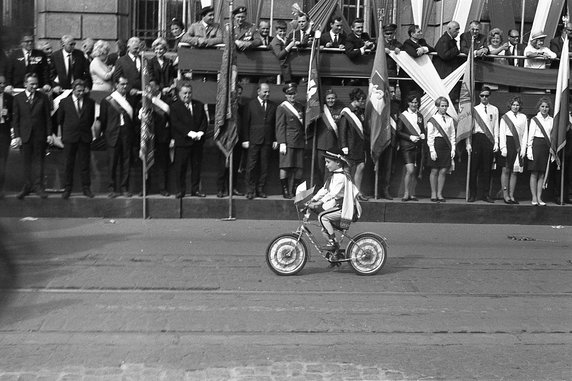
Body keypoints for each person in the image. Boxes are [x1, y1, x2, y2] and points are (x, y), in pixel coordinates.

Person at [307, 150, 361, 259]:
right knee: (324, 231)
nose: (326, 165)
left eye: (328, 162)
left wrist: (319, 203)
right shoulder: (334, 176)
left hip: (345, 208)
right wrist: (312, 199)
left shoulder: (341, 177)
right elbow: (324, 190)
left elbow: (333, 193)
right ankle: (336, 252)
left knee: (322, 217)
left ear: (338, 163)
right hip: (338, 207)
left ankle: (333, 243)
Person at [12, 73, 53, 199]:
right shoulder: (18, 98)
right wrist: (17, 136)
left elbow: (47, 117)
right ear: (25, 84)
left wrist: (49, 134)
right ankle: (26, 187)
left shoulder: (43, 97)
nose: (35, 86)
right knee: (26, 163)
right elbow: (16, 119)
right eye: (32, 84)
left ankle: (38, 187)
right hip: (25, 136)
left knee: (38, 162)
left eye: (36, 84)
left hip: (39, 136)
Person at [99, 76, 138, 198]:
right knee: (113, 163)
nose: (125, 86)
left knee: (126, 162)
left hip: (126, 134)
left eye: (126, 84)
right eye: (122, 84)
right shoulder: (107, 100)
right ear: (116, 85)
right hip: (112, 135)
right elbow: (103, 120)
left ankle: (124, 188)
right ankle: (112, 188)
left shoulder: (131, 100)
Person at [58, 79, 96, 199]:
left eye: (82, 91)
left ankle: (86, 188)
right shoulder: (64, 102)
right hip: (70, 137)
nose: (81, 93)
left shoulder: (90, 102)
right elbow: (60, 119)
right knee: (68, 164)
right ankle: (67, 188)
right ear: (73, 90)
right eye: (78, 91)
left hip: (84, 137)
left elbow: (90, 120)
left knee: (85, 164)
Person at [169, 81, 208, 198]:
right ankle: (181, 190)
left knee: (196, 167)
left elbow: (204, 121)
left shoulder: (199, 105)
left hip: (197, 143)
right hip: (182, 142)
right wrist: (189, 133)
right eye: (185, 93)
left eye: (189, 93)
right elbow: (176, 123)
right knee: (181, 168)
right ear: (180, 94)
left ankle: (195, 190)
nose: (187, 96)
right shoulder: (174, 107)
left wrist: (201, 132)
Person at [241, 83, 277, 199]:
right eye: (264, 92)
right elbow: (245, 123)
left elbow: (275, 124)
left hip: (267, 141)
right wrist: (245, 139)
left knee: (264, 166)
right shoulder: (250, 105)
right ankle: (250, 190)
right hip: (253, 140)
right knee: (251, 166)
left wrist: (275, 139)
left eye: (268, 92)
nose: (267, 94)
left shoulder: (273, 106)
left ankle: (260, 189)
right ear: (258, 92)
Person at [467, 86, 499, 203]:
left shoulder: (494, 109)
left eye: (486, 95)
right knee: (474, 168)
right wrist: (468, 142)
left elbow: (496, 126)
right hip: (477, 138)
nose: (484, 98)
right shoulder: (474, 109)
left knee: (487, 169)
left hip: (488, 139)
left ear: (489, 96)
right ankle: (472, 194)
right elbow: (469, 128)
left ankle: (486, 194)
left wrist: (496, 142)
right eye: (482, 96)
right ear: (479, 96)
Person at [338, 88, 369, 201]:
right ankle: (347, 193)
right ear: (355, 100)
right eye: (361, 100)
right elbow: (342, 130)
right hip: (350, 145)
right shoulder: (346, 112)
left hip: (359, 144)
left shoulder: (361, 112)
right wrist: (344, 146)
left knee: (361, 166)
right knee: (348, 169)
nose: (363, 102)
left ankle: (358, 192)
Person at [276, 82, 304, 199]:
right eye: (289, 94)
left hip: (299, 140)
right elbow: (280, 126)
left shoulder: (300, 106)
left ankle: (294, 188)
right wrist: (282, 142)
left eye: (293, 93)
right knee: (285, 166)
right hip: (288, 141)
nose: (292, 96)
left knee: (299, 167)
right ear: (285, 95)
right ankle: (285, 190)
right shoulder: (282, 107)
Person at [143, 79, 171, 196]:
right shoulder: (145, 101)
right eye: (148, 87)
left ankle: (163, 188)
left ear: (158, 87)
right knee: (146, 163)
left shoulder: (166, 101)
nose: (149, 89)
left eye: (152, 87)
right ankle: (145, 188)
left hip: (162, 138)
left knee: (162, 164)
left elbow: (172, 121)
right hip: (148, 137)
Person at [396, 93, 425, 201]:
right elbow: (398, 132)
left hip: (417, 145)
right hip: (407, 146)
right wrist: (410, 137)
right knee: (410, 169)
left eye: (416, 102)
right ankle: (406, 193)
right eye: (412, 102)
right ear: (408, 103)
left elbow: (422, 129)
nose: (414, 104)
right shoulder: (403, 116)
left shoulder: (420, 115)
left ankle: (412, 193)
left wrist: (423, 134)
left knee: (415, 170)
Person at [499, 96, 527, 204]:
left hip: (518, 145)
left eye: (517, 105)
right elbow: (501, 133)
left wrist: (524, 148)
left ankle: (511, 195)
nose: (515, 107)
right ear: (510, 105)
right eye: (513, 105)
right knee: (506, 170)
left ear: (520, 106)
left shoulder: (523, 117)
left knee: (515, 171)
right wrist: (503, 147)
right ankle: (505, 195)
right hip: (508, 143)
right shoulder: (505, 117)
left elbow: (525, 133)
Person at [427, 96, 455, 202]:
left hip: (446, 146)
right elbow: (430, 136)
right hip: (436, 145)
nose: (444, 108)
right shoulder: (432, 120)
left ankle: (439, 194)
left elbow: (452, 135)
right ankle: (433, 194)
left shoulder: (450, 119)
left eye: (446, 106)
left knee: (443, 170)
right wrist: (432, 150)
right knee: (434, 170)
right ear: (437, 107)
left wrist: (453, 148)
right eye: (442, 106)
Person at [527, 97, 552, 206]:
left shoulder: (552, 120)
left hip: (546, 147)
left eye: (546, 107)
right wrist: (529, 150)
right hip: (536, 146)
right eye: (542, 106)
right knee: (534, 172)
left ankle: (539, 197)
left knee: (542, 173)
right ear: (539, 107)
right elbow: (530, 136)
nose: (544, 109)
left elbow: (552, 136)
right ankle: (533, 197)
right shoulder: (534, 120)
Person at [376, 85, 400, 200]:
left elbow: (397, 123)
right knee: (378, 166)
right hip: (380, 141)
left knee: (388, 168)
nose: (393, 94)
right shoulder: (379, 104)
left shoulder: (396, 105)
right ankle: (376, 190)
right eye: (390, 92)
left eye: (394, 92)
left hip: (392, 141)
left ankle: (385, 190)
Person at [400, 24, 434, 105]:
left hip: (419, 75)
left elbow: (432, 49)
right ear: (412, 34)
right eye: (419, 32)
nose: (421, 33)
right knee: (407, 99)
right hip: (408, 76)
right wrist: (420, 51)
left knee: (419, 97)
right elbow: (414, 54)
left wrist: (423, 49)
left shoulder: (422, 42)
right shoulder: (407, 43)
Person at [315, 89, 342, 186]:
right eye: (329, 98)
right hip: (321, 144)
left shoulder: (339, 111)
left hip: (332, 145)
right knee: (320, 169)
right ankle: (320, 189)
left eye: (333, 98)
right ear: (325, 99)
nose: (331, 100)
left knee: (330, 170)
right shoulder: (320, 110)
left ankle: (328, 189)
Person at [433, 21, 462, 104]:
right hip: (444, 72)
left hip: (448, 72)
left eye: (458, 29)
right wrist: (456, 50)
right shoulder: (444, 39)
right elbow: (444, 55)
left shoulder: (450, 40)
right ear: (449, 29)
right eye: (456, 29)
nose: (458, 32)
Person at [0, 75, 13, 198]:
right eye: (0, 83)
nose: (2, 85)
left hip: (3, 133)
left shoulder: (9, 98)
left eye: (3, 83)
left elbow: (13, 116)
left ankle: (1, 188)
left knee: (2, 162)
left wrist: (7, 115)